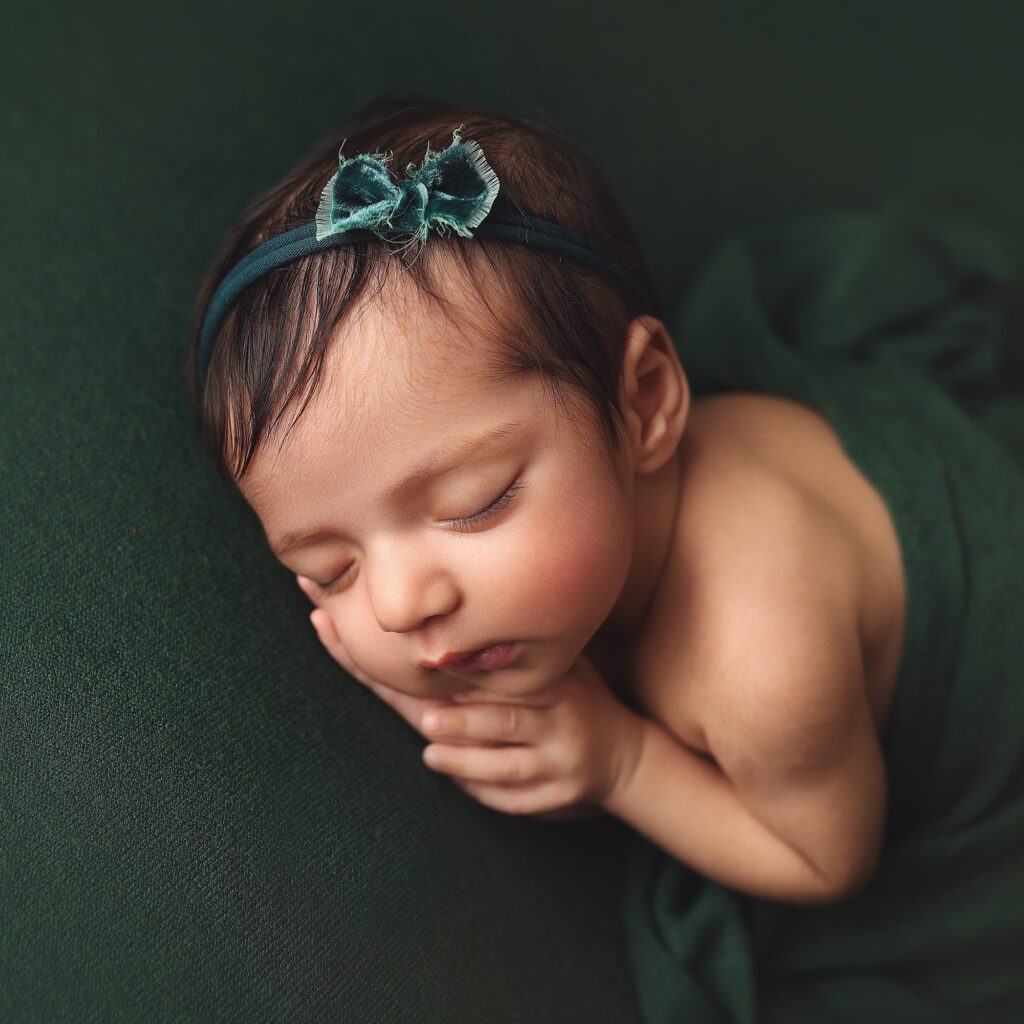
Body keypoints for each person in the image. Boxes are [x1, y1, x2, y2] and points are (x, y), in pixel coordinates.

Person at [185, 93, 961, 910]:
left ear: (647, 402)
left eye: (477, 502)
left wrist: (622, 762)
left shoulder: (760, 662)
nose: (399, 603)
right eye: (330, 567)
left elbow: (829, 861)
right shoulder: (523, 566)